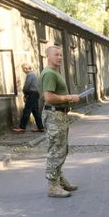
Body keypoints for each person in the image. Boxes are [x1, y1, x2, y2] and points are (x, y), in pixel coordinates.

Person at [40, 46, 80, 198]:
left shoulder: (54, 72)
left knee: (62, 149)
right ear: (48, 56)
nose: (59, 57)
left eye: (61, 55)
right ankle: (52, 185)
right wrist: (69, 98)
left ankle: (59, 180)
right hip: (54, 115)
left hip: (59, 115)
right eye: (56, 55)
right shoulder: (49, 73)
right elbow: (49, 97)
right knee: (56, 151)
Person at [14, 63, 44, 132]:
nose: (23, 71)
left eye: (23, 69)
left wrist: (25, 93)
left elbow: (27, 85)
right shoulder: (34, 74)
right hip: (35, 94)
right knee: (35, 111)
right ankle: (40, 127)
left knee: (26, 111)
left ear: (26, 68)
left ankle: (22, 127)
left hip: (32, 94)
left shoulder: (30, 75)